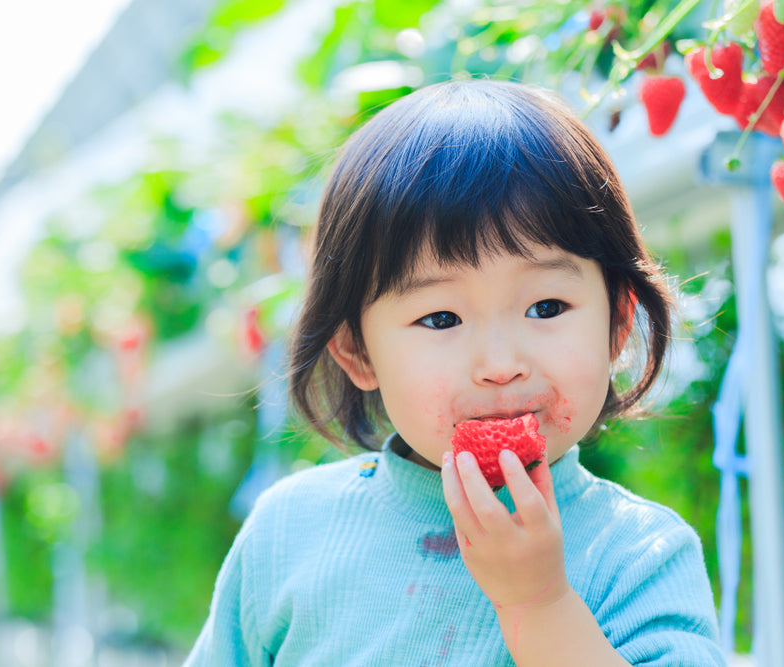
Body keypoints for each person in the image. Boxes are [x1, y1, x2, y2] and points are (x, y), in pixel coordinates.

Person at [185, 78, 726, 666]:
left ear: (617, 325)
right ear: (357, 352)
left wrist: (539, 603)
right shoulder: (288, 532)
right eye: (441, 317)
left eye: (546, 307)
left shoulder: (639, 555)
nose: (499, 365)